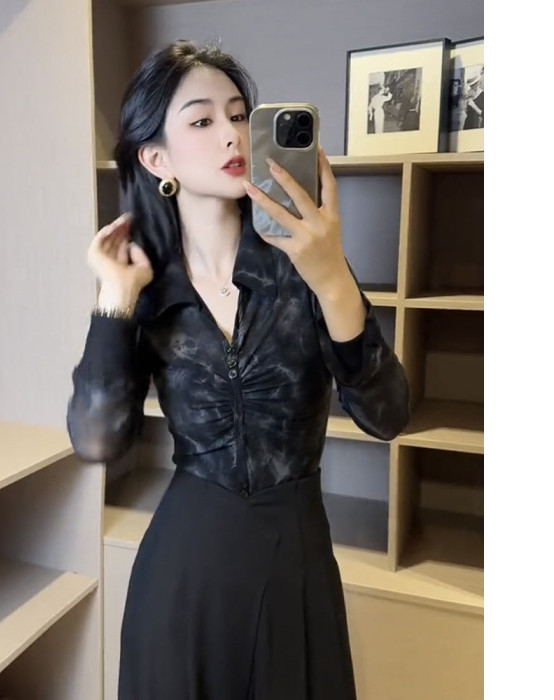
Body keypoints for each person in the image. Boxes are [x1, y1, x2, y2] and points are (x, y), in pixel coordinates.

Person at [67, 40, 410, 700]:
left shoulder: (305, 265)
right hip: (181, 579)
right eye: (201, 120)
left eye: (238, 114)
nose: (231, 134)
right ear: (157, 158)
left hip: (294, 570)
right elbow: (98, 440)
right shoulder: (148, 287)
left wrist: (332, 278)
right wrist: (114, 298)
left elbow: (388, 415)